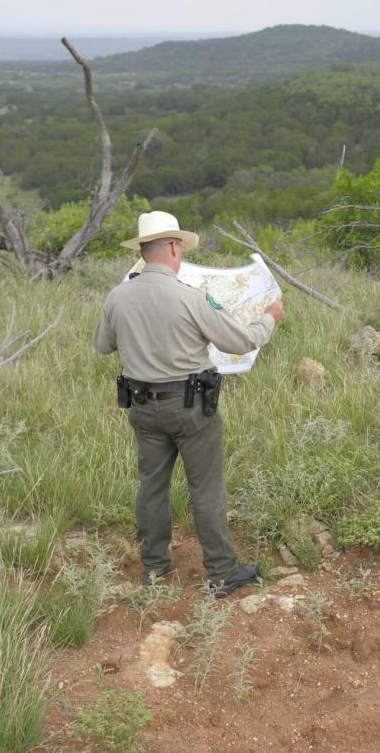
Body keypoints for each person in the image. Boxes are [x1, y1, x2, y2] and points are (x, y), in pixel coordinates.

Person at [93, 211, 284, 597]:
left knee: (151, 487)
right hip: (192, 407)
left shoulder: (118, 296)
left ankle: (155, 569)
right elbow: (240, 341)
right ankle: (221, 571)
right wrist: (269, 318)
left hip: (142, 407)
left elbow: (102, 345)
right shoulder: (190, 297)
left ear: (144, 251)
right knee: (206, 489)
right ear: (175, 248)